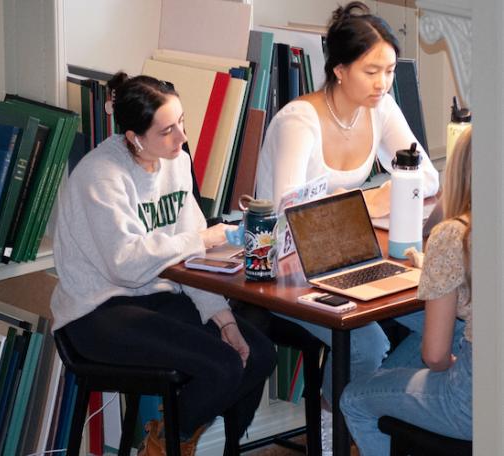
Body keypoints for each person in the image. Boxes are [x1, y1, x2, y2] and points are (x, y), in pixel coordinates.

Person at [50, 72, 276, 453]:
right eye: (168, 130)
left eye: (182, 122)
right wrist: (201, 238)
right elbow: (125, 264)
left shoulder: (175, 161)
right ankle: (167, 444)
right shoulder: (100, 175)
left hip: (156, 297)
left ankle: (170, 439)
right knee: (222, 366)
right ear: (135, 137)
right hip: (96, 310)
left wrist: (222, 319)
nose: (182, 138)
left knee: (258, 355)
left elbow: (190, 259)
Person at [252, 1, 440, 407]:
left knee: (442, 320)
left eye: (389, 71)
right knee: (366, 345)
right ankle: (337, 420)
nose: (383, 84)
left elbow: (427, 176)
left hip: (349, 256)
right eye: (371, 72)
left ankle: (366, 408)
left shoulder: (380, 108)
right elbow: (292, 210)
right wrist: (368, 201)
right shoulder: (298, 121)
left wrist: (361, 202)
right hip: (286, 269)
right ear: (339, 70)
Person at [340, 127, 473, 455]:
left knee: (354, 399)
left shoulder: (454, 237)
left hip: (474, 403)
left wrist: (449, 367)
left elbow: (434, 355)